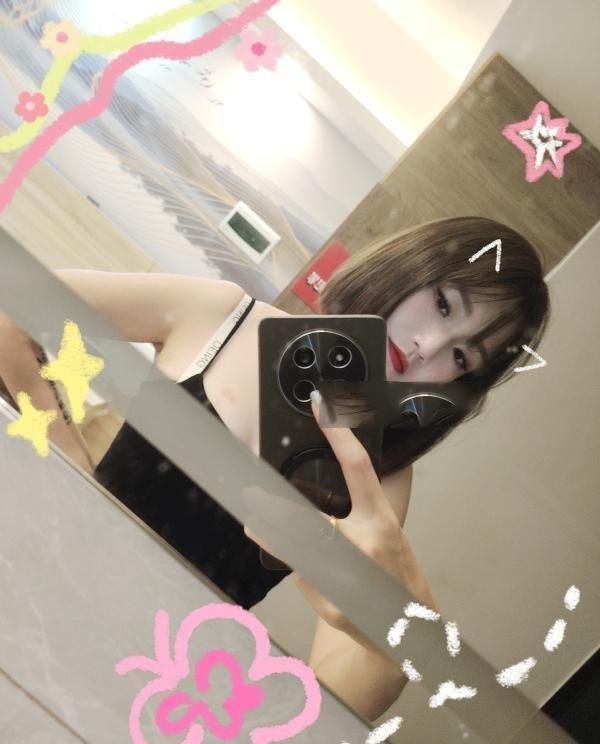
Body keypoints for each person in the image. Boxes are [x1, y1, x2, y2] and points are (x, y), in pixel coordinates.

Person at [0, 215, 549, 720]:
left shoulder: (377, 478)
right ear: (410, 266)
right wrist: (67, 463)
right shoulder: (225, 319)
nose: (429, 346)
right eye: (445, 305)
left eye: (461, 357)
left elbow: (345, 683)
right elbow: (14, 305)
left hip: (124, 690)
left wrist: (390, 642)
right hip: (28, 572)